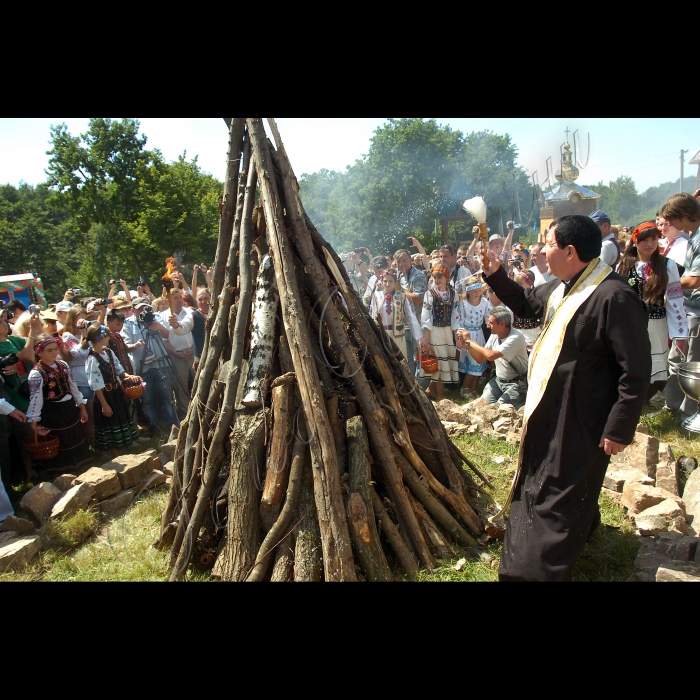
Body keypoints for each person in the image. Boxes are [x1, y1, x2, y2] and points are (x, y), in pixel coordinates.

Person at [482, 214, 651, 582]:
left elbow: (635, 370)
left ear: (569, 251)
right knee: (547, 478)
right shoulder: (562, 287)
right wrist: (496, 274)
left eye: (548, 243)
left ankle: (529, 571)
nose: (541, 250)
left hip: (583, 415)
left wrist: (619, 427)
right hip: (550, 409)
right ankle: (572, 530)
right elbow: (526, 304)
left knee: (557, 487)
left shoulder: (613, 296)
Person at [617, 222, 688, 401]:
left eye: (653, 239)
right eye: (644, 240)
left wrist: (679, 334)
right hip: (631, 324)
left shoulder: (667, 265)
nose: (649, 244)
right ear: (635, 241)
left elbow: (675, 301)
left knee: (654, 365)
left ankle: (651, 398)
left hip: (656, 323)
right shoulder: (624, 264)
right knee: (632, 360)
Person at [26, 335, 91, 472]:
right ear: (39, 352)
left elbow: (73, 387)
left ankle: (80, 466)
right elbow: (36, 399)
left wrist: (81, 406)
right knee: (60, 441)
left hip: (68, 408)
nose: (54, 353)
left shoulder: (63, 365)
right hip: (52, 411)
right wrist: (34, 422)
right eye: (49, 350)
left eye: (56, 349)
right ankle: (62, 472)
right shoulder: (37, 373)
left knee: (74, 436)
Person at [661, 193, 700, 420]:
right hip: (685, 309)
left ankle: (690, 414)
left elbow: (695, 279)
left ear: (684, 216)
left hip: (696, 311)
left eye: (672, 219)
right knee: (677, 361)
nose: (671, 225)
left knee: (692, 365)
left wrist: (663, 283)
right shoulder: (693, 236)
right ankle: (673, 406)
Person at [121, 298, 179, 434]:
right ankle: (155, 429)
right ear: (133, 310)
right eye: (140, 309)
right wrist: (135, 345)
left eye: (145, 308)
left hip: (161, 364)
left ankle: (174, 427)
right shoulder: (128, 324)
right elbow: (125, 346)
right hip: (143, 368)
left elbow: (167, 335)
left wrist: (160, 327)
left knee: (168, 397)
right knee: (147, 401)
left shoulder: (156, 317)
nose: (143, 311)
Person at [85, 324, 140, 456]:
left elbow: (118, 368)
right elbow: (95, 384)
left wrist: (127, 376)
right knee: (111, 423)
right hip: (105, 396)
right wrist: (104, 405)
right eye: (107, 335)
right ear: (100, 338)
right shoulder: (92, 359)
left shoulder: (108, 352)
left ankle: (122, 452)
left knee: (120, 419)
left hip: (116, 394)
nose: (109, 337)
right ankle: (116, 455)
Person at [458, 305, 528, 409]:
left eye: (491, 323)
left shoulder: (516, 338)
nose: (487, 325)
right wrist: (468, 346)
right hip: (498, 381)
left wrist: (469, 340)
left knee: (499, 411)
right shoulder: (495, 334)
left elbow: (490, 356)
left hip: (516, 384)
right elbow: (481, 359)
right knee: (480, 406)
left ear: (502, 324)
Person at [419, 265, 460, 400]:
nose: (436, 280)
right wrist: (426, 338)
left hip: (447, 331)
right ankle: (440, 395)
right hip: (435, 331)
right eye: (434, 277)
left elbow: (455, 315)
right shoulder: (429, 294)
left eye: (440, 277)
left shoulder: (453, 293)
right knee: (440, 363)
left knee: (445, 361)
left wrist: (456, 336)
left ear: (446, 277)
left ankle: (431, 390)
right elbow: (426, 316)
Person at [369, 269, 423, 365]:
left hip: (398, 335)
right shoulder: (376, 296)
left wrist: (419, 337)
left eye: (391, 281)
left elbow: (410, 317)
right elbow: (372, 315)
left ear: (395, 282)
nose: (388, 283)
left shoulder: (402, 296)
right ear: (381, 282)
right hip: (383, 334)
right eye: (385, 281)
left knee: (400, 362)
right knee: (387, 362)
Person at [61, 305, 95, 447]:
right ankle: (93, 445)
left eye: (84, 318)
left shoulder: (87, 333)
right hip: (80, 377)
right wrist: (83, 334)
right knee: (89, 415)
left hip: (93, 374)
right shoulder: (68, 336)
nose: (83, 321)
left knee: (98, 413)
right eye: (80, 318)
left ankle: (100, 442)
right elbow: (78, 353)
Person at [394, 248, 428, 379]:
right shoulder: (397, 276)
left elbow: (419, 300)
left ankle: (421, 386)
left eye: (404, 260)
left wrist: (400, 289)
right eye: (398, 262)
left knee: (420, 357)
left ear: (410, 260)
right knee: (408, 359)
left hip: (417, 323)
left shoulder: (418, 275)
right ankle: (413, 385)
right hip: (402, 324)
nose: (401, 264)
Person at [457, 276, 492, 399]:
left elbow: (489, 316)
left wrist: (491, 325)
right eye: (474, 291)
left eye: (479, 291)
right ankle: (464, 387)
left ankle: (473, 388)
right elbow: (459, 320)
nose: (477, 294)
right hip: (467, 335)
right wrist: (460, 338)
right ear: (468, 291)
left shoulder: (484, 302)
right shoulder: (463, 303)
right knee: (472, 362)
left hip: (479, 334)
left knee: (479, 361)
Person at [161, 289, 194, 417]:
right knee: (181, 387)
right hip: (177, 357)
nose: (179, 300)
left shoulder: (190, 312)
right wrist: (176, 354)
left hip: (192, 353)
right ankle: (187, 414)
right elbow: (164, 341)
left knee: (199, 381)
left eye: (180, 297)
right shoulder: (163, 316)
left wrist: (192, 349)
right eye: (175, 298)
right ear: (168, 300)